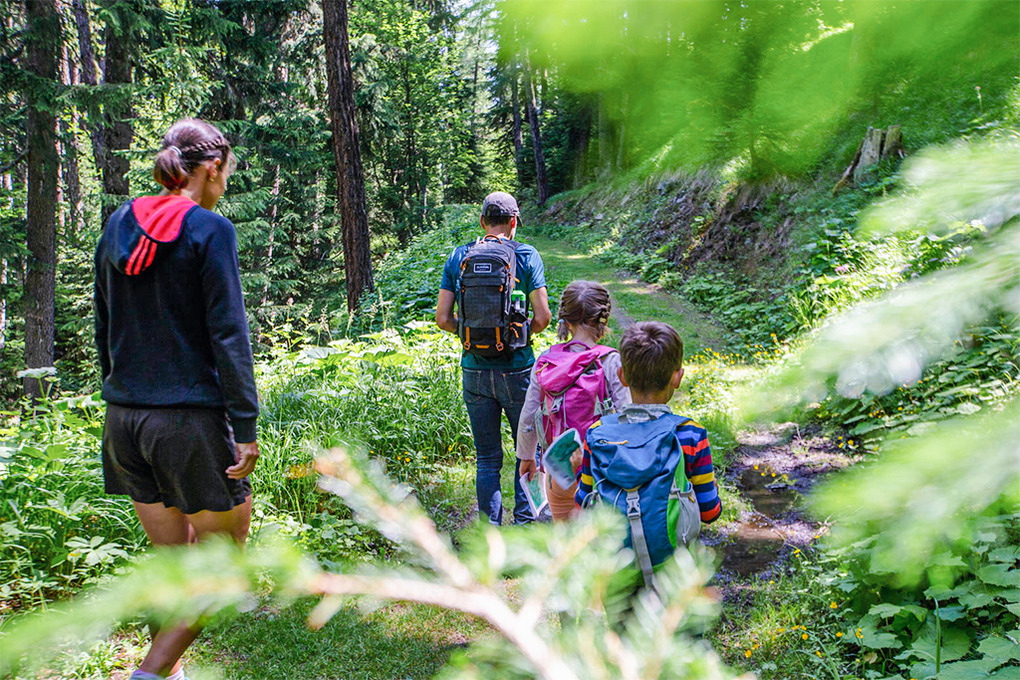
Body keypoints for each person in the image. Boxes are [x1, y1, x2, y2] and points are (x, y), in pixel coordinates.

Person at [94, 118, 259, 680]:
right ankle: (149, 674)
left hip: (124, 421)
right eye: (226, 173)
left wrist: (119, 395)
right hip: (186, 422)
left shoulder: (119, 222)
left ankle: (170, 673)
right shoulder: (210, 229)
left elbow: (103, 323)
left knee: (175, 565)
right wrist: (244, 426)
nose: (225, 184)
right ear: (211, 168)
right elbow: (229, 334)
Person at [574, 322, 721, 619]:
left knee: (623, 639)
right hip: (675, 573)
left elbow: (583, 502)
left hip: (617, 571)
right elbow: (710, 511)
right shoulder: (690, 435)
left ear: (622, 376)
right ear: (677, 377)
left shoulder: (598, 434)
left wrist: (579, 470)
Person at [435, 192, 552, 525]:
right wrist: (516, 337)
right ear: (514, 222)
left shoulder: (459, 256)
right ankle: (526, 528)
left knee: (487, 459)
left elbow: (442, 318)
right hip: (518, 370)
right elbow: (543, 317)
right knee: (527, 451)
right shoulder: (527, 255)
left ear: (482, 221)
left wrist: (471, 335)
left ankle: (489, 536)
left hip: (474, 370)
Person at [516, 280, 631, 521]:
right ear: (603, 320)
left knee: (565, 534)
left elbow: (529, 413)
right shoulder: (611, 361)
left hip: (559, 468)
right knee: (603, 536)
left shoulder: (546, 361)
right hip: (601, 470)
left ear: (565, 321)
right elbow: (626, 415)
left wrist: (526, 456)